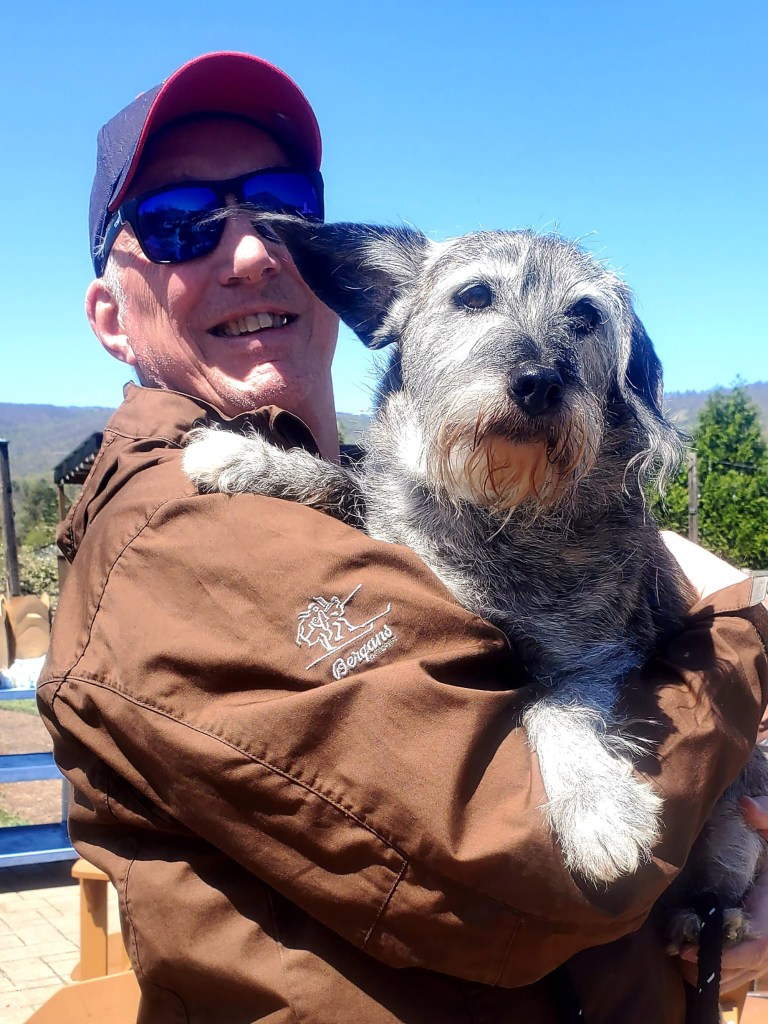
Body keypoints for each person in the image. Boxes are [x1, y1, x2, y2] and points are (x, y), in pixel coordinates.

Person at [38, 51, 768, 1024]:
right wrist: (741, 635)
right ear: (107, 315)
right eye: (180, 224)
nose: (253, 250)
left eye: (280, 205)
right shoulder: (172, 533)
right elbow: (545, 866)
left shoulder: (351, 490)